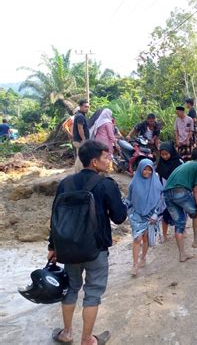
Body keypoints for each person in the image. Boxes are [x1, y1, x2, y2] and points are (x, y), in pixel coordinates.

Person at [48, 140, 127, 345]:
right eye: (105, 157)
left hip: (68, 248)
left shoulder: (66, 183)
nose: (109, 160)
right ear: (94, 161)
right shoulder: (106, 184)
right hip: (96, 250)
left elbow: (55, 216)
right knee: (92, 293)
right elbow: (119, 217)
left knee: (71, 288)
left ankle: (66, 333)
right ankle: (87, 340)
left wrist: (52, 246)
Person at [163, 147, 197, 262]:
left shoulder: (187, 164)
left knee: (179, 224)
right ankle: (196, 241)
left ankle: (182, 255)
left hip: (167, 194)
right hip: (180, 191)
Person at [125, 159, 165, 276]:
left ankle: (143, 258)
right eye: (145, 169)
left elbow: (160, 200)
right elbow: (130, 199)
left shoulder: (156, 183)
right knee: (137, 238)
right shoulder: (133, 183)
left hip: (151, 215)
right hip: (136, 214)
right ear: (140, 169)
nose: (147, 172)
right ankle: (135, 264)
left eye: (149, 169)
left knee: (145, 238)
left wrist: (156, 213)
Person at [156, 142, 183, 242]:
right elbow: (158, 179)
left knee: (179, 213)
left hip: (178, 191)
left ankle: (181, 231)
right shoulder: (160, 164)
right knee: (165, 215)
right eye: (162, 154)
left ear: (171, 152)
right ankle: (164, 234)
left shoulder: (179, 162)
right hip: (165, 193)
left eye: (166, 154)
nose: (164, 156)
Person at [72, 100, 90, 172]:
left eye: (88, 107)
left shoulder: (79, 115)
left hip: (78, 140)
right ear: (80, 107)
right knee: (80, 156)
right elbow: (80, 128)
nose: (87, 108)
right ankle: (79, 172)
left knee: (79, 156)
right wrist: (84, 139)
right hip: (80, 140)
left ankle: (77, 171)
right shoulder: (80, 116)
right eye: (85, 107)